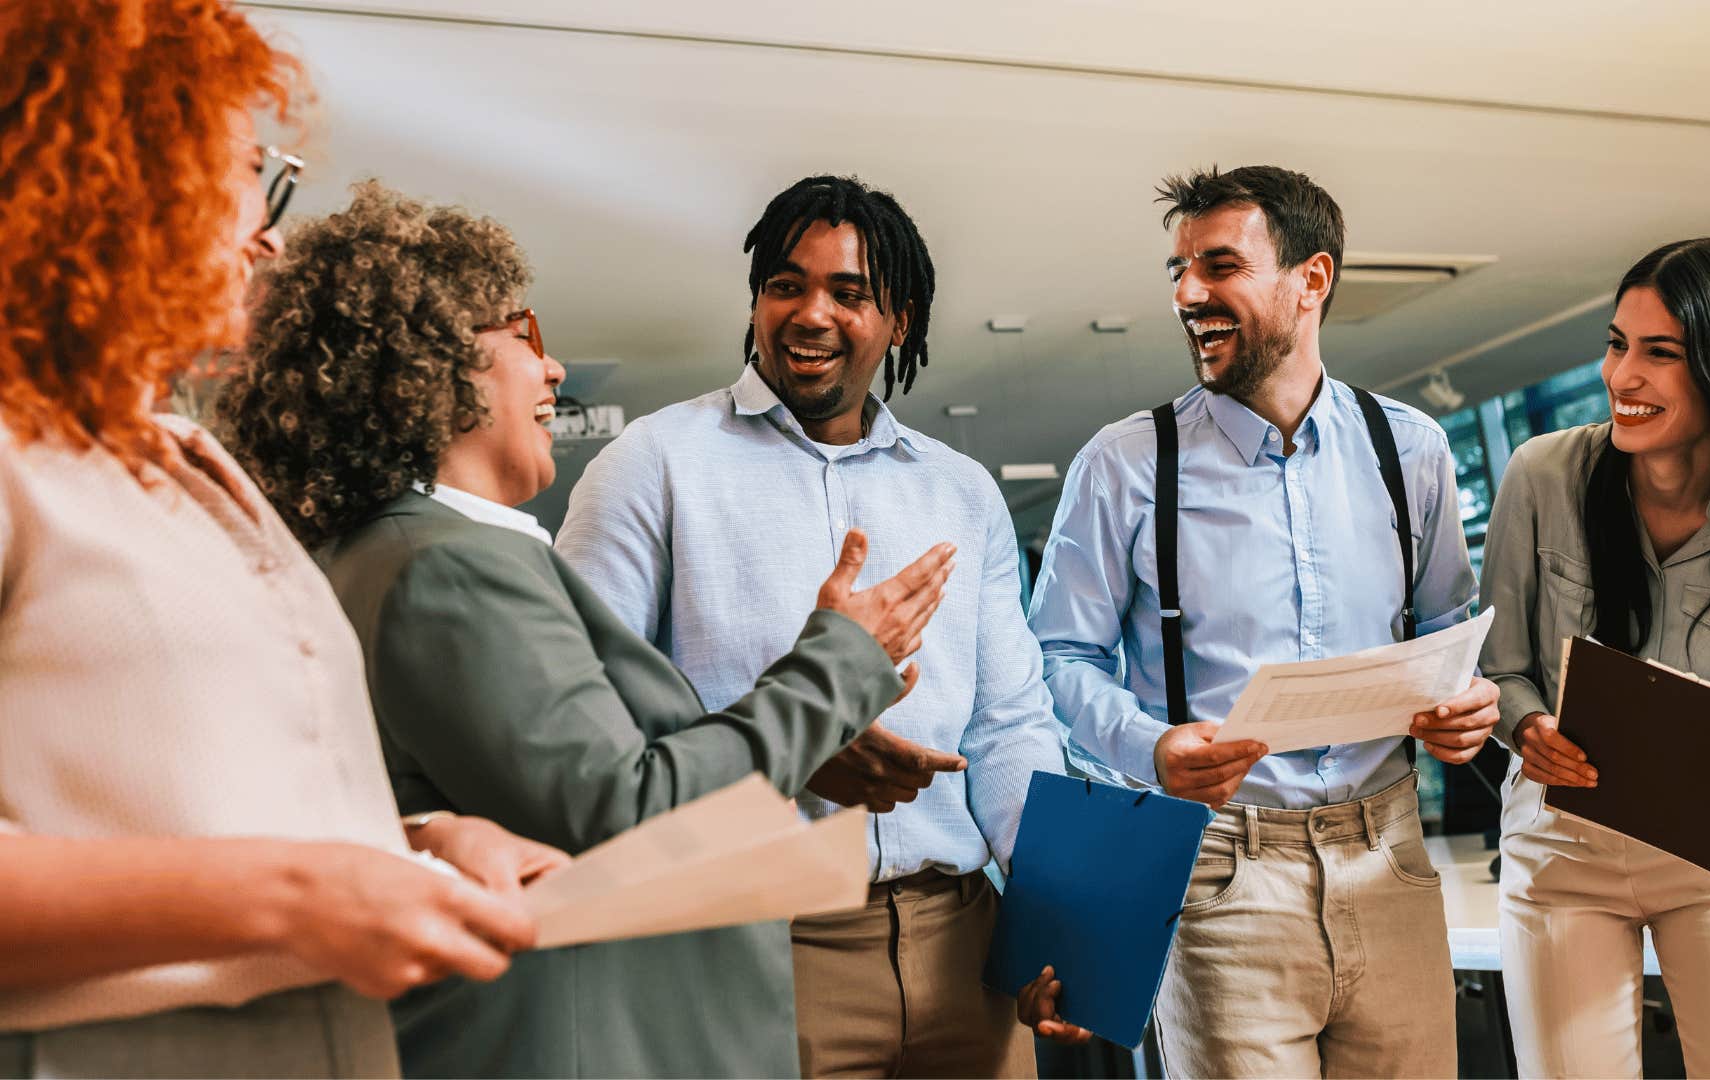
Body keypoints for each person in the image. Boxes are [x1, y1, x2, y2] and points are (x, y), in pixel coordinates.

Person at [218, 181, 953, 1078]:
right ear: (434, 361)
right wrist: (842, 660)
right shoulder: (446, 568)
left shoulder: (417, 552)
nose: (553, 368)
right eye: (525, 334)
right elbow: (627, 811)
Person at [0, 5, 553, 1076]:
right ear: (113, 180)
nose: (271, 234)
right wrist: (298, 896)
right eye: (252, 171)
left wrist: (417, 846)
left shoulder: (188, 464)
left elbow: (191, 793)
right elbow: (253, 878)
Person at [556, 174, 1067, 1078]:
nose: (811, 313)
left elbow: (1010, 726)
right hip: (757, 938)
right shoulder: (653, 465)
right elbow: (583, 727)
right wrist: (786, 754)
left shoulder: (961, 490)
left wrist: (1059, 911)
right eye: (785, 285)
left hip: (965, 944)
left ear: (900, 320)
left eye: (850, 292)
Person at [1023, 165, 1500, 1077]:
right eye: (1178, 270)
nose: (1188, 294)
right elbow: (1056, 656)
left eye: (1219, 265)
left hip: (1392, 856)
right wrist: (1148, 746)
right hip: (1217, 872)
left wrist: (1465, 706)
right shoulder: (1125, 464)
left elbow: (1447, 631)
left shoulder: (1412, 450)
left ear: (1310, 280)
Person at [1480, 236, 1710, 1077]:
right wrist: (1527, 724)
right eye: (1617, 344)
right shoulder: (1543, 475)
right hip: (1560, 853)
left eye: (1660, 353)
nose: (1622, 376)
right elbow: (1497, 669)